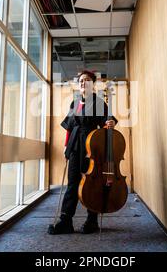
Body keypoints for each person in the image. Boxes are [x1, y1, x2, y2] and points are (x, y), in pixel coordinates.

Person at [48, 70, 117, 235]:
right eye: (80, 80)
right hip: (75, 146)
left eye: (86, 80)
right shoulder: (75, 103)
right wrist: (66, 146)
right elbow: (70, 128)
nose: (82, 82)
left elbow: (109, 121)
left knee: (92, 184)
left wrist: (110, 123)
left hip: (91, 148)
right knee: (72, 184)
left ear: (92, 84)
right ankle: (66, 221)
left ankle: (91, 220)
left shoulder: (99, 102)